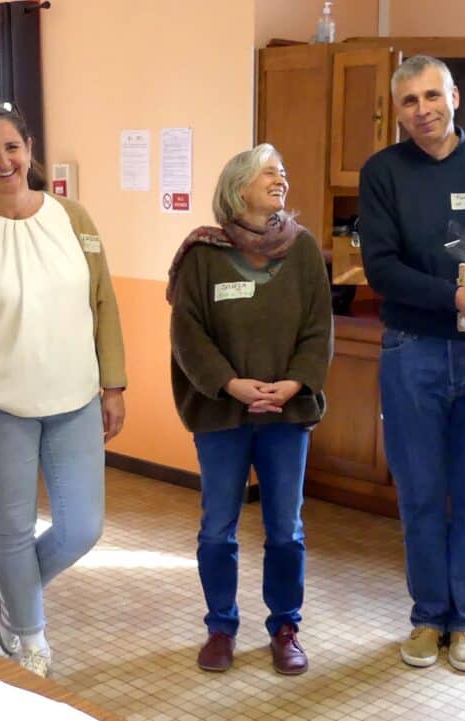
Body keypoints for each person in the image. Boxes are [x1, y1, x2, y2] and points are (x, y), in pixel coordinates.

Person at [0, 104, 126, 678]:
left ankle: (11, 586)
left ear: (30, 149)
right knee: (12, 529)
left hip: (76, 398)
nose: (3, 160)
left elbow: (103, 302)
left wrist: (113, 384)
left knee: (82, 528)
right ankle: (29, 638)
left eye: (12, 147)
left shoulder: (74, 219)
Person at [358, 55, 465, 672]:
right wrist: (455, 296)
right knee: (422, 496)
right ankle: (429, 617)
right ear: (397, 110)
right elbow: (381, 269)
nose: (423, 110)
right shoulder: (383, 172)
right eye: (409, 101)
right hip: (413, 350)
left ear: (455, 97)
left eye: (432, 96)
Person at [167, 143, 333, 676]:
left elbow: (319, 327)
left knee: (286, 529)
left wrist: (294, 383)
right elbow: (187, 333)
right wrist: (231, 384)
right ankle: (220, 627)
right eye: (269, 173)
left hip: (287, 414)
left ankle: (285, 627)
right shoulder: (203, 253)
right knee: (218, 528)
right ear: (238, 187)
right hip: (222, 413)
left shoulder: (302, 250)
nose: (280, 179)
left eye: (283, 172)